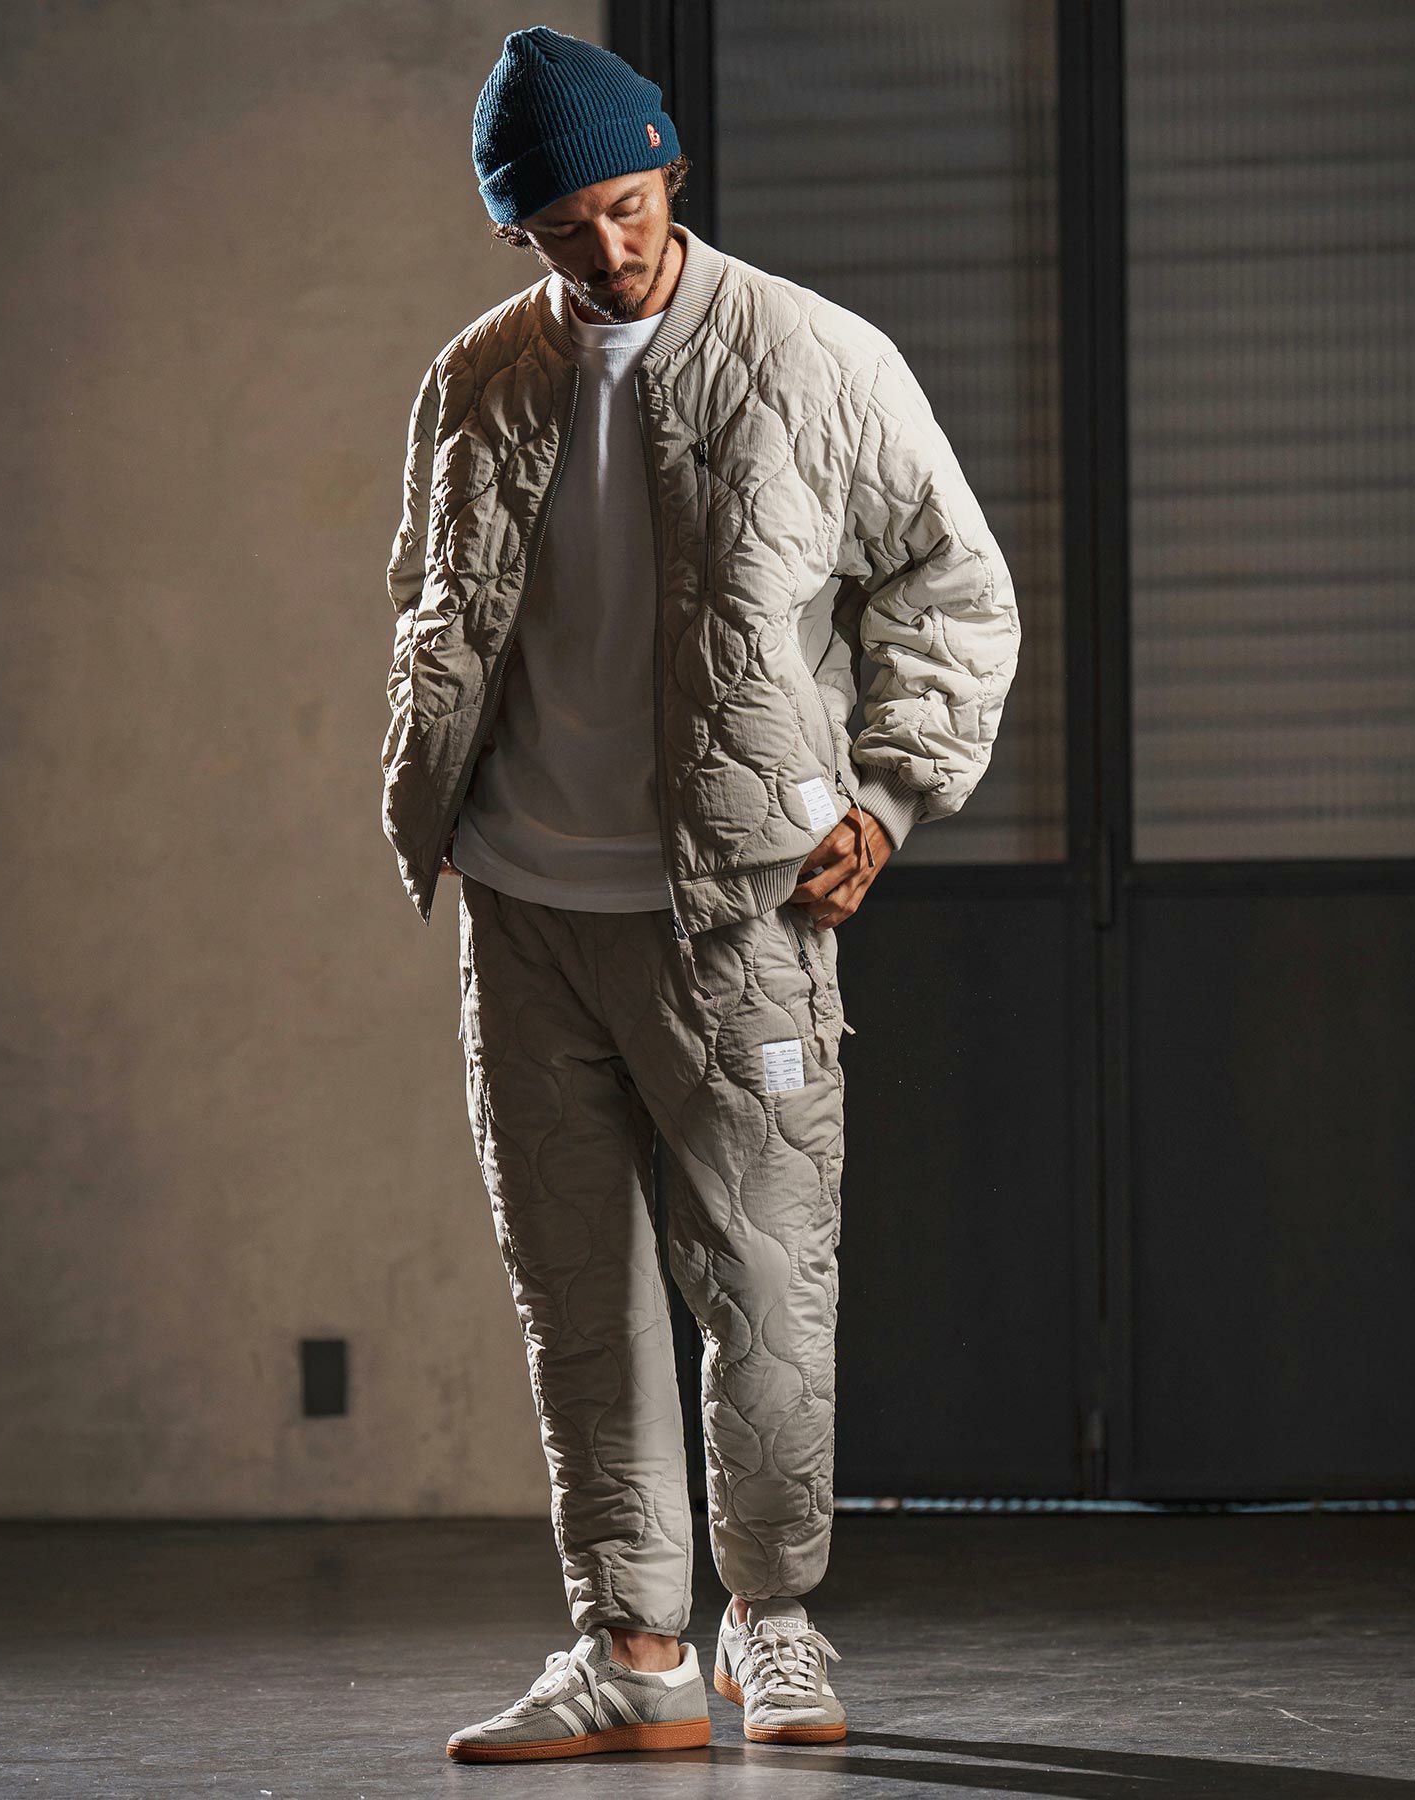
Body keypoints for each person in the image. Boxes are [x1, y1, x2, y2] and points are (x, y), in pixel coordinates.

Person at [378, 24, 1020, 1765]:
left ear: (668, 169)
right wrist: (432, 794)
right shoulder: (477, 376)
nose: (607, 248)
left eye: (626, 205)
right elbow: (432, 600)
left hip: (738, 912)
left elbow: (952, 587)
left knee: (766, 1283)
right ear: (515, 231)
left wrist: (888, 793)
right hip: (522, 909)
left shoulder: (815, 355)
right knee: (577, 1299)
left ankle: (775, 1624)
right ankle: (635, 1649)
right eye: (561, 226)